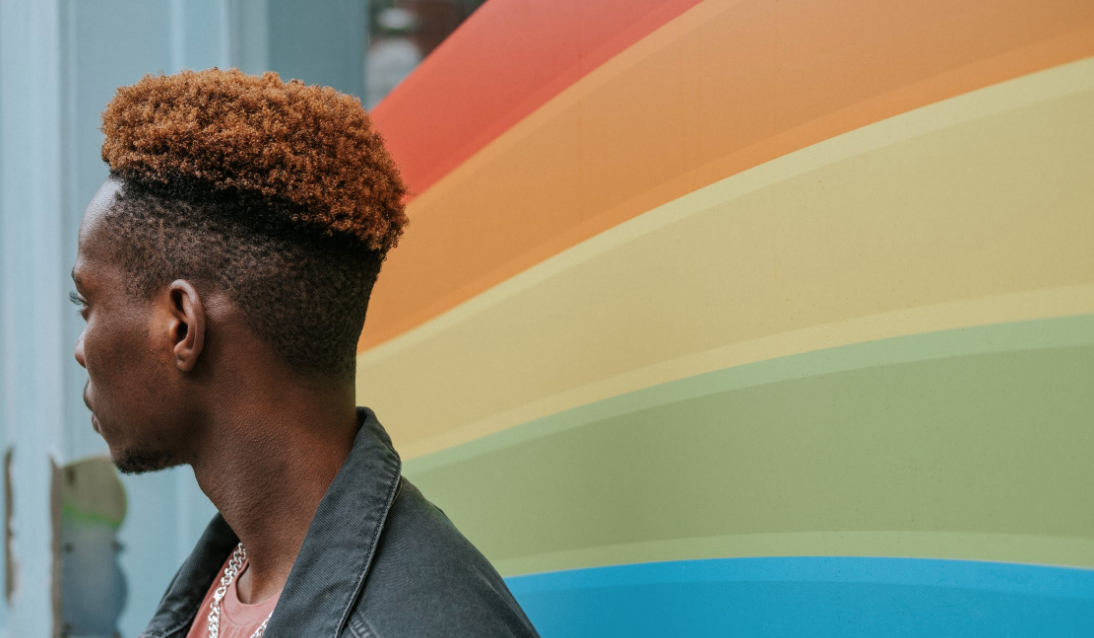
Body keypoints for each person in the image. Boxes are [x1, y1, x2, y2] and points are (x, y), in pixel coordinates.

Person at [70, 68, 540, 638]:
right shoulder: (232, 575)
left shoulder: (416, 624)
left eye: (85, 304)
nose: (80, 349)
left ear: (181, 327)